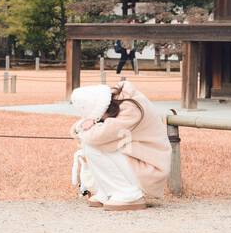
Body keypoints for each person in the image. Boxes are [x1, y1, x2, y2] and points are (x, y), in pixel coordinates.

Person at [69, 78, 169, 211]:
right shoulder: (117, 101)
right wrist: (85, 125)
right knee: (91, 145)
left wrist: (84, 127)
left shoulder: (131, 109)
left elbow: (97, 136)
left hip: (150, 168)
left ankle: (129, 194)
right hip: (137, 158)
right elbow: (84, 132)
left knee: (93, 145)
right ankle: (108, 191)